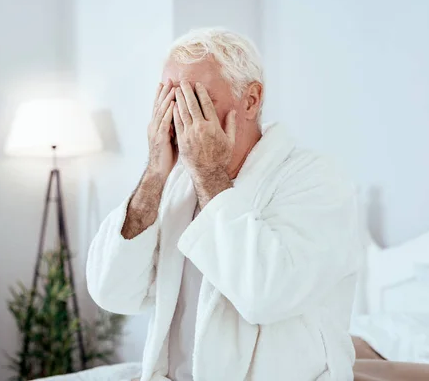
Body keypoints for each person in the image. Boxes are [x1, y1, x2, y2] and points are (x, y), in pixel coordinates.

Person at [86, 28, 362, 381]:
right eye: (170, 99)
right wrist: (155, 172)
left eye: (196, 101)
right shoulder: (173, 184)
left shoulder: (317, 180)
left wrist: (209, 173)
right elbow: (112, 292)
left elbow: (264, 295)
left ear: (251, 100)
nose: (178, 116)